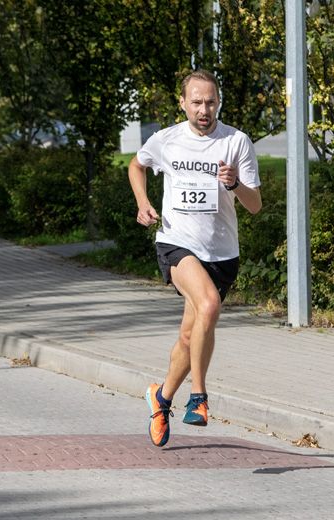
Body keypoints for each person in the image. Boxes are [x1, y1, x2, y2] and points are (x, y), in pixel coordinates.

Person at [128, 69, 262, 447]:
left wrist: (234, 183)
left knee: (190, 336)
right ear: (183, 103)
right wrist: (142, 202)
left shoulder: (236, 142)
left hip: (221, 252)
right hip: (176, 242)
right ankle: (199, 398)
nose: (204, 110)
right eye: (197, 102)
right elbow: (137, 166)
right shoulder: (167, 140)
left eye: (211, 102)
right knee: (209, 304)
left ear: (218, 103)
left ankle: (161, 398)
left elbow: (254, 205)